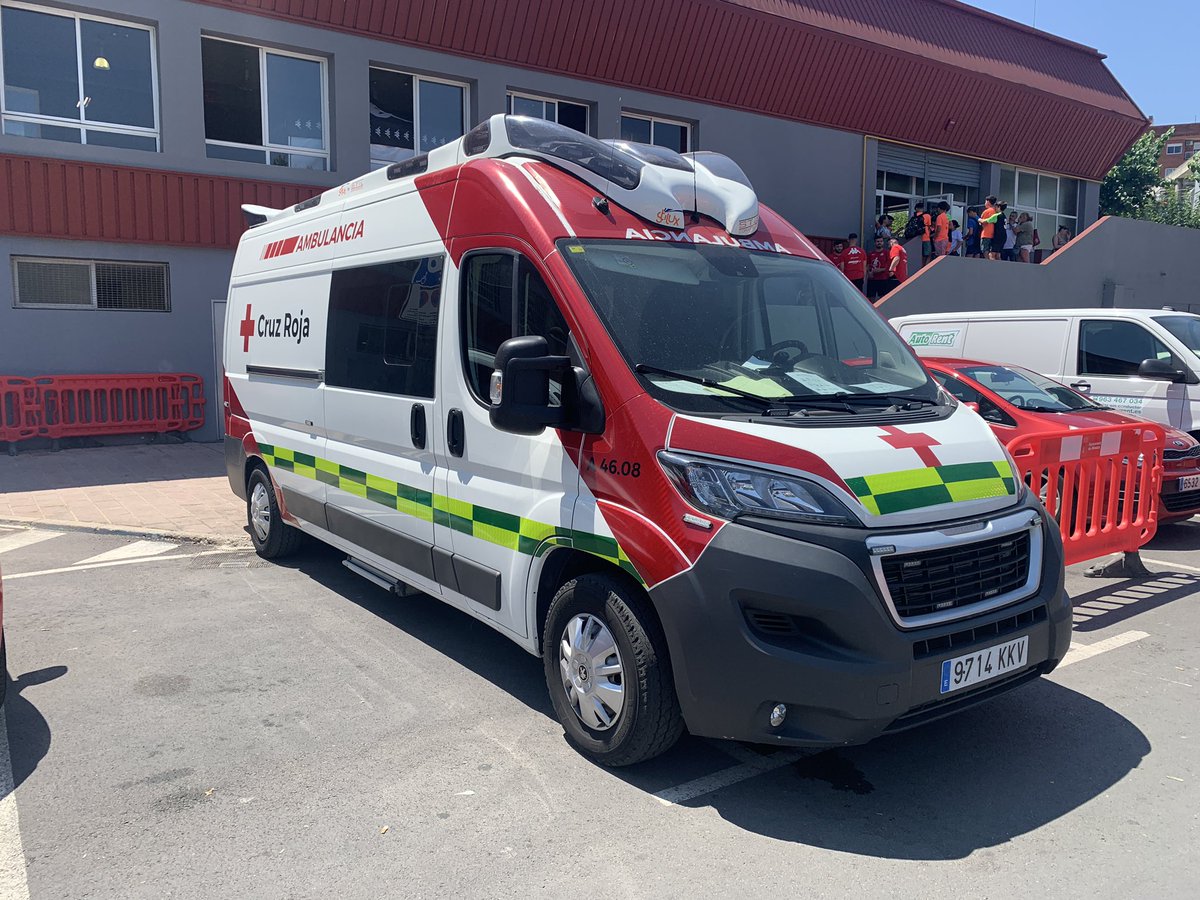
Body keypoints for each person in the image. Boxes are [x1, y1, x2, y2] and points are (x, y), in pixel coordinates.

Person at [866, 235, 890, 301]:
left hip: (883, 279)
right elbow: (867, 265)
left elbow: (889, 266)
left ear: (883, 242)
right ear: (875, 242)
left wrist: (880, 270)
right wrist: (869, 273)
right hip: (872, 279)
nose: (879, 243)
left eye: (881, 241)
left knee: (883, 298)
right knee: (870, 298)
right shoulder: (870, 254)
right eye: (878, 241)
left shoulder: (886, 253)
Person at [979, 196, 1000, 260]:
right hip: (994, 234)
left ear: (988, 201)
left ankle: (987, 262)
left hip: (986, 233)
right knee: (992, 251)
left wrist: (979, 220)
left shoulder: (987, 211)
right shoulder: (996, 211)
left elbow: (982, 222)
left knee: (985, 249)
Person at [913, 202, 933, 268]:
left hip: (916, 238)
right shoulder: (927, 216)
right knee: (927, 254)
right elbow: (929, 226)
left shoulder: (914, 217)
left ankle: (919, 267)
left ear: (916, 209)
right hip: (926, 237)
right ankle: (924, 268)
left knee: (919, 254)